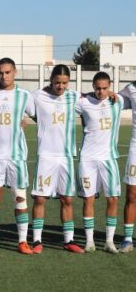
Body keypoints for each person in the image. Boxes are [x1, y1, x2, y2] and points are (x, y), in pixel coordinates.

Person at [0, 58, 35, 254]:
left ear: (15, 72)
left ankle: (22, 241)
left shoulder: (24, 95)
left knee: (20, 198)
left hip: (17, 155)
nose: (4, 76)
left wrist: (25, 122)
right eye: (1, 73)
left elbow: (37, 114)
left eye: (7, 72)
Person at [31, 64, 84, 254]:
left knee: (67, 199)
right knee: (40, 198)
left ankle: (68, 240)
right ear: (51, 80)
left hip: (66, 156)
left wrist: (109, 93)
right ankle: (37, 240)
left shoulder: (74, 97)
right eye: (57, 82)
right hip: (46, 155)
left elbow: (95, 97)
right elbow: (19, 101)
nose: (61, 87)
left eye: (64, 83)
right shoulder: (38, 96)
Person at [76, 71, 123, 253]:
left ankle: (109, 241)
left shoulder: (118, 102)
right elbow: (61, 100)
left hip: (109, 158)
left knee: (112, 199)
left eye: (104, 88)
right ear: (93, 86)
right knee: (88, 199)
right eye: (97, 88)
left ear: (109, 86)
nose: (101, 92)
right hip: (87, 159)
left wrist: (115, 95)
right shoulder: (84, 102)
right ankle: (89, 241)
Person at [119, 81, 136, 252]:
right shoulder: (131, 88)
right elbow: (114, 100)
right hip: (135, 148)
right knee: (131, 195)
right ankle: (128, 239)